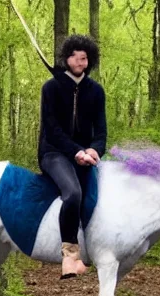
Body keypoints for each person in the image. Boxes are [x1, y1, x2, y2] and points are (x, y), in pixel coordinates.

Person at [38, 35, 107, 279]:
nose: (81, 58)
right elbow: (52, 130)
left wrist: (93, 150)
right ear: (66, 59)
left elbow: (100, 132)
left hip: (86, 156)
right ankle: (69, 256)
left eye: (85, 55)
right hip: (54, 154)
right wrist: (75, 151)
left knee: (99, 199)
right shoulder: (51, 88)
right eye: (75, 54)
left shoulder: (96, 91)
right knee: (73, 194)